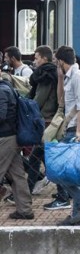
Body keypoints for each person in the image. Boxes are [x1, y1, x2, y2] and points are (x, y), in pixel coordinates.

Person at [52, 46, 80, 226]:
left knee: (62, 172)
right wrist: (60, 77)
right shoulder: (69, 76)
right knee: (72, 174)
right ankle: (77, 216)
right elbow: (61, 101)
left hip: (77, 130)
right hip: (70, 129)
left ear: (61, 61)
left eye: (57, 62)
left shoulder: (78, 77)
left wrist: (78, 131)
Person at [0, 76, 34, 220]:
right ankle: (25, 210)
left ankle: (25, 209)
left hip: (4, 137)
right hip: (12, 136)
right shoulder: (8, 88)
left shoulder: (2, 91)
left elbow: (1, 116)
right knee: (17, 175)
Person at [26, 45, 58, 193]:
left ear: (44, 58)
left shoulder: (46, 75)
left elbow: (40, 98)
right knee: (39, 156)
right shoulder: (51, 72)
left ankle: (64, 192)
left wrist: (28, 109)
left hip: (46, 119)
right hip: (48, 118)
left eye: (37, 57)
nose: (35, 60)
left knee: (41, 156)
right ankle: (29, 188)